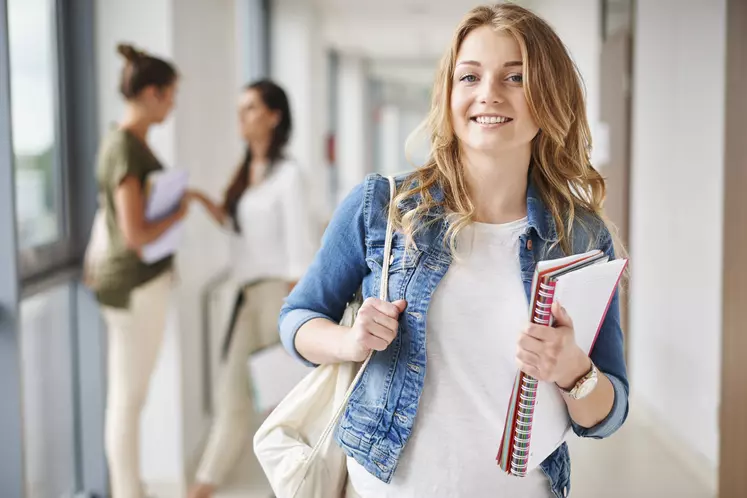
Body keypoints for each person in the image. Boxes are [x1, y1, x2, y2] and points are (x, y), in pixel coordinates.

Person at [279, 4, 629, 498]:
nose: (489, 94)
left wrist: (573, 370)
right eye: (470, 76)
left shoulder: (582, 236)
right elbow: (297, 318)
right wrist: (349, 341)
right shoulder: (382, 206)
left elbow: (608, 415)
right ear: (448, 94)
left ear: (549, 96)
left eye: (515, 77)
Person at [188, 79, 317, 498]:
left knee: (282, 406)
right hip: (246, 298)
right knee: (233, 397)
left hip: (278, 297)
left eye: (250, 108)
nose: (241, 116)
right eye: (240, 108)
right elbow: (236, 225)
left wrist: (294, 316)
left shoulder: (289, 175)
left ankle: (293, 488)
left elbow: (301, 248)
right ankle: (202, 488)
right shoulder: (249, 171)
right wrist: (196, 199)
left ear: (273, 116)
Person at [90, 44, 192, 498]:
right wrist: (179, 211)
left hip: (133, 285)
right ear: (151, 93)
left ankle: (131, 488)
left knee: (130, 397)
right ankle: (128, 492)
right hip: (134, 287)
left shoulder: (126, 143)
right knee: (128, 401)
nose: (171, 105)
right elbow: (135, 234)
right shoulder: (126, 147)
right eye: (169, 96)